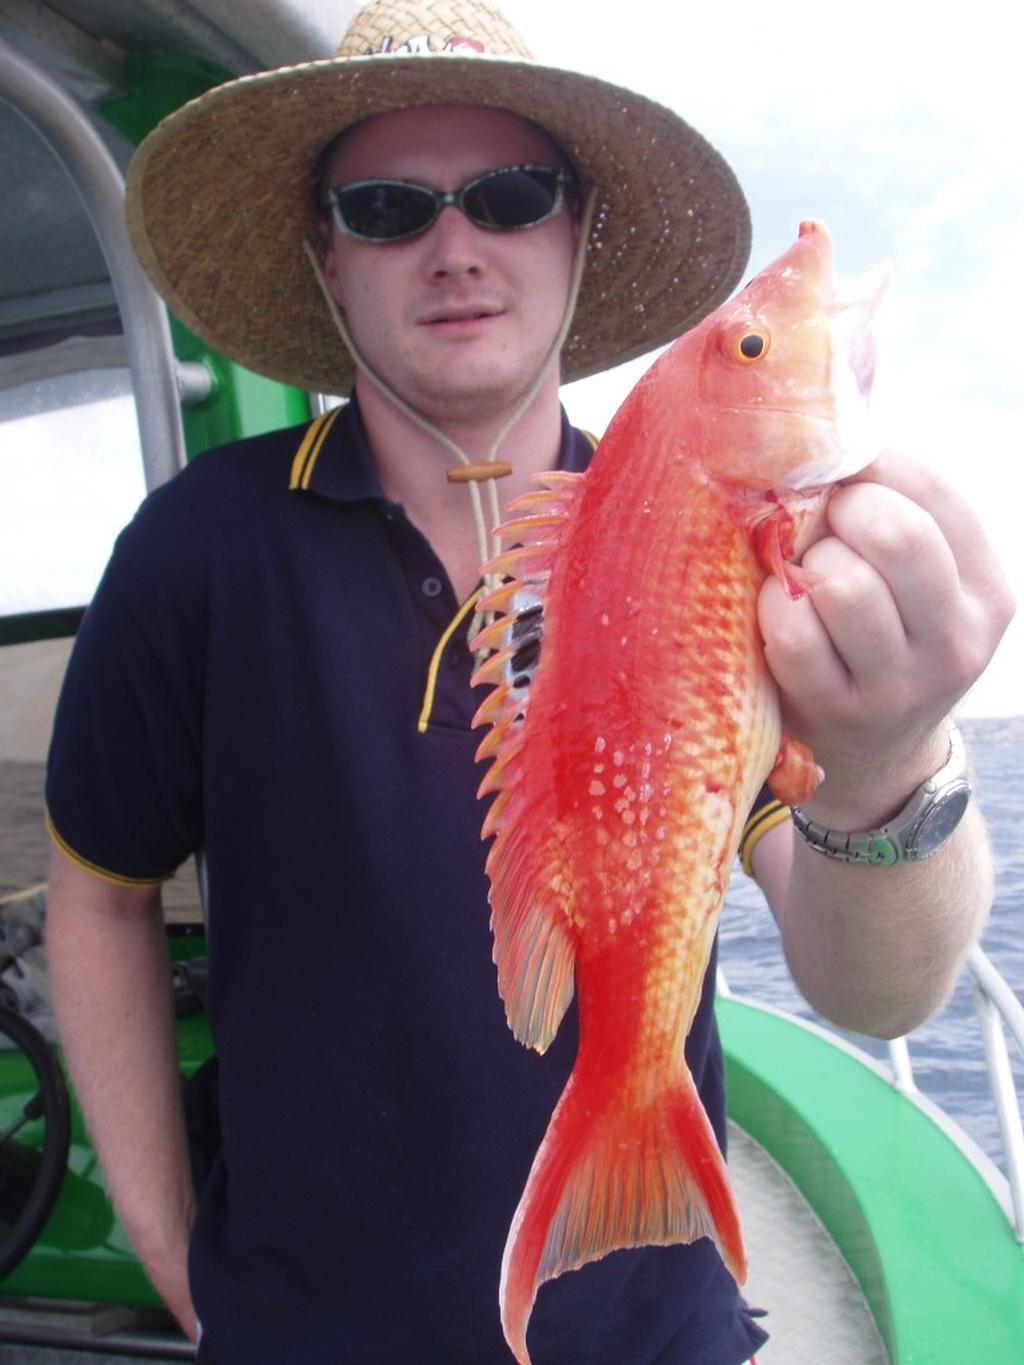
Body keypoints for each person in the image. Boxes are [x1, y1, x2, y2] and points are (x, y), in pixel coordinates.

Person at [43, 2, 1014, 1363]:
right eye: (387, 207)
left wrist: (894, 761)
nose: (455, 247)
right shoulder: (192, 553)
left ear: (579, 228)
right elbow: (97, 894)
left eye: (511, 194)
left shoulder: (712, 547)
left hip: (658, 1332)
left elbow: (874, 990)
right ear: (327, 255)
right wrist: (169, 1250)